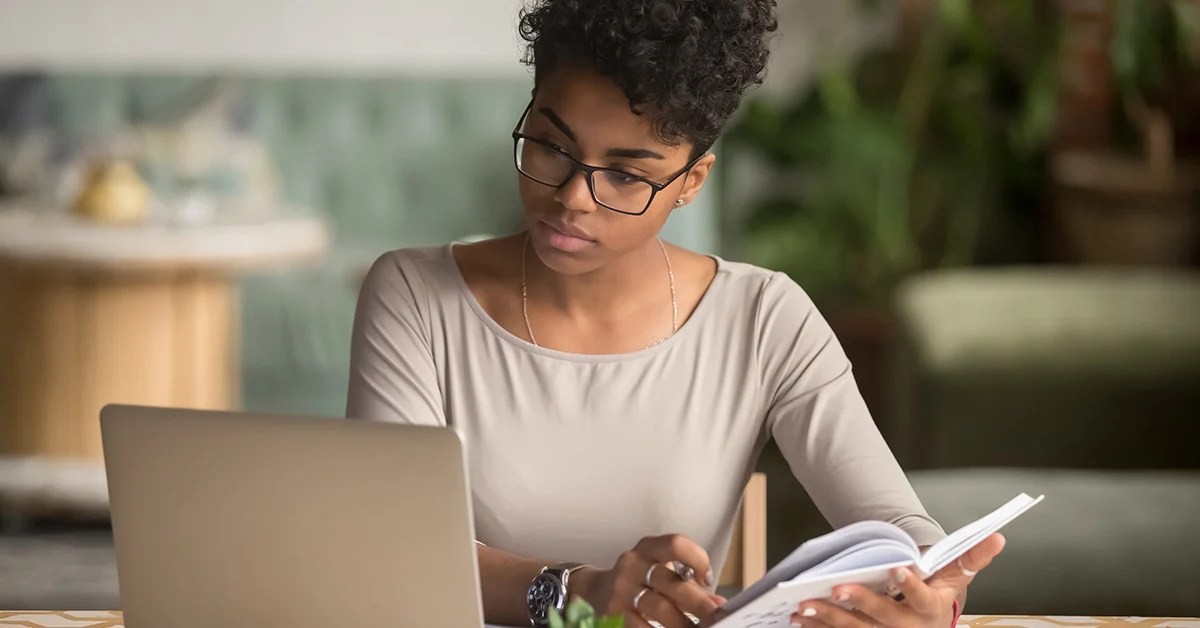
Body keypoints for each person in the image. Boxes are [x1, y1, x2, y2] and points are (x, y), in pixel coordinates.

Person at [345, 0, 1005, 626]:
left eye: (627, 176)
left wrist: (931, 594)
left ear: (692, 181)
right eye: (551, 146)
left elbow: (898, 525)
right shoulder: (414, 296)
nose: (574, 197)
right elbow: (387, 550)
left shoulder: (763, 318)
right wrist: (578, 594)